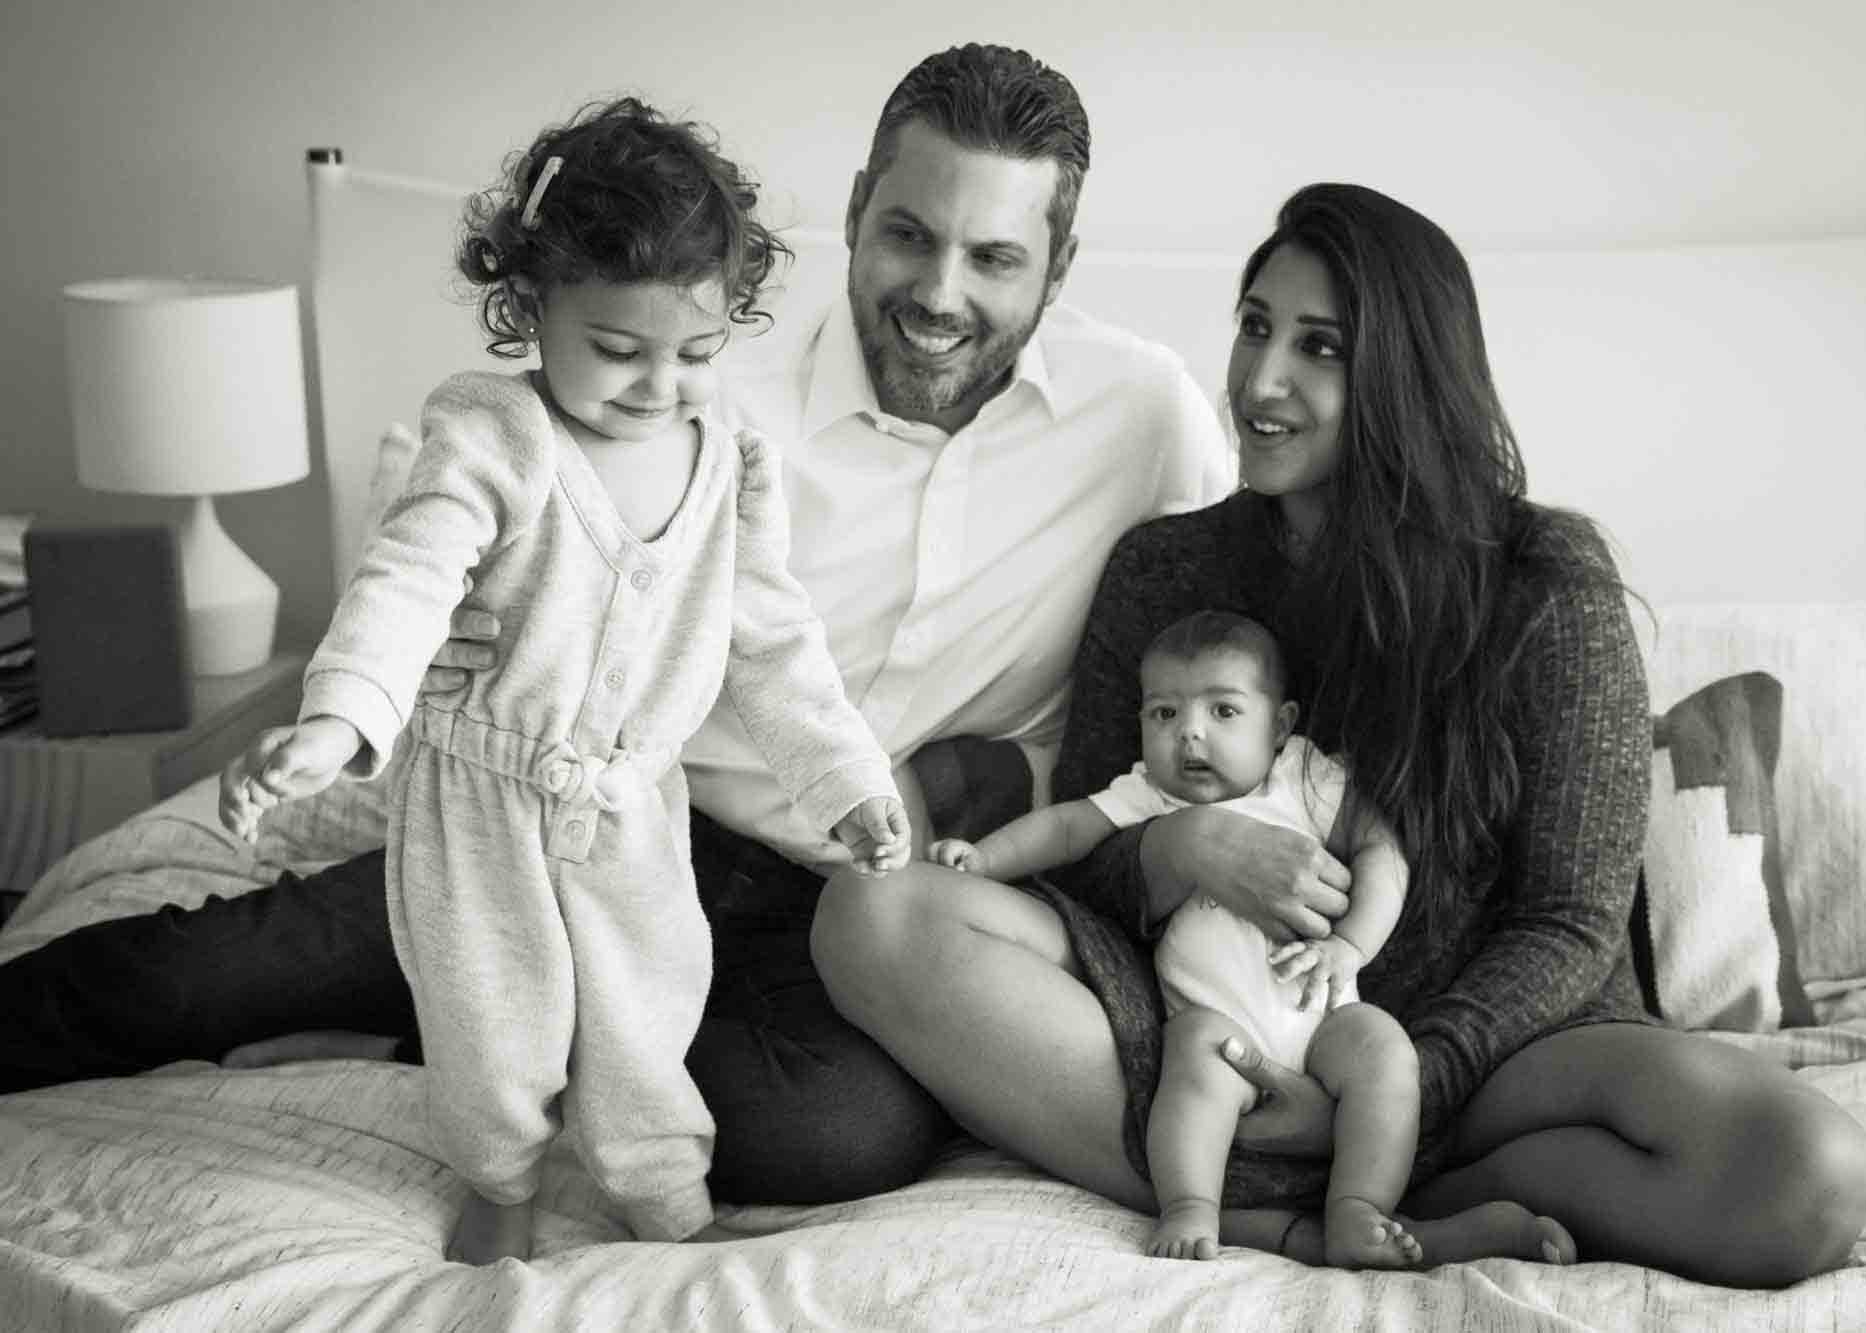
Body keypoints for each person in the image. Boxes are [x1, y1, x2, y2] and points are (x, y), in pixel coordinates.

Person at [0, 44, 1234, 1218]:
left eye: (995, 258)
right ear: (856, 207)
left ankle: (483, 1036)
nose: (937, 294)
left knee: (834, 1136)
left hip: (847, 906)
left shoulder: (1145, 420)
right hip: (588, 817)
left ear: (1058, 267)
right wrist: (426, 651)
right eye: (908, 233)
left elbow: (1225, 638)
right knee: (189, 977)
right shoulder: (692, 383)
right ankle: (477, 1010)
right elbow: (448, 516)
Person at [813, 183, 1866, 1284]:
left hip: (1498, 1051)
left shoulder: (1543, 583)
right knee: (868, 913)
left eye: (1318, 347)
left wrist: (1395, 1087)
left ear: (1407, 378)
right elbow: (1084, 861)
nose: (1261, 379)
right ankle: (1298, 1218)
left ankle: (1376, 1186)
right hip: (1214, 1028)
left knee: (1809, 1173)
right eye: (1254, 326)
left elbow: (1568, 922)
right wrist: (1176, 853)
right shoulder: (1163, 571)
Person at [215, 97, 911, 1263]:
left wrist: (843, 778)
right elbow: (410, 572)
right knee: (496, 1025)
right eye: (618, 352)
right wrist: (336, 719)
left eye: (694, 353)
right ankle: (500, 1185)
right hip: (480, 803)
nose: (657, 388)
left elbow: (775, 643)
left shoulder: (729, 463)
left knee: (649, 1016)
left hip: (635, 806)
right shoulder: (493, 435)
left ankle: (663, 1195)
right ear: (532, 307)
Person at [929, 608, 1571, 1268]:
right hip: (1218, 1024)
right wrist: (983, 858)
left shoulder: (1303, 778)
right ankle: (1190, 1203)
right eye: (1164, 714)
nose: (1190, 735)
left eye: (1224, 711)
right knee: (1194, 1060)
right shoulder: (1152, 794)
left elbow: (1384, 852)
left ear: (1282, 723)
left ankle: (1358, 1207)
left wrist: (1349, 946)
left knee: (1386, 1052)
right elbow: (1065, 829)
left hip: (1323, 1019)